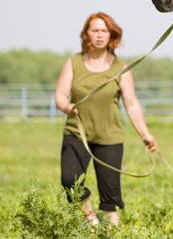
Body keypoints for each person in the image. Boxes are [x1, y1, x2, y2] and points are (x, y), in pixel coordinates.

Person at [54, 12, 157, 227]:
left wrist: (145, 134)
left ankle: (112, 233)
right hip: (77, 133)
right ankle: (90, 219)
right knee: (69, 180)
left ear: (111, 35)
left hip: (109, 136)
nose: (99, 35)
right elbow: (60, 95)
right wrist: (67, 106)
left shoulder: (121, 68)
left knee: (110, 191)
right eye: (95, 30)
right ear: (86, 34)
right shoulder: (74, 63)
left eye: (104, 31)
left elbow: (131, 104)